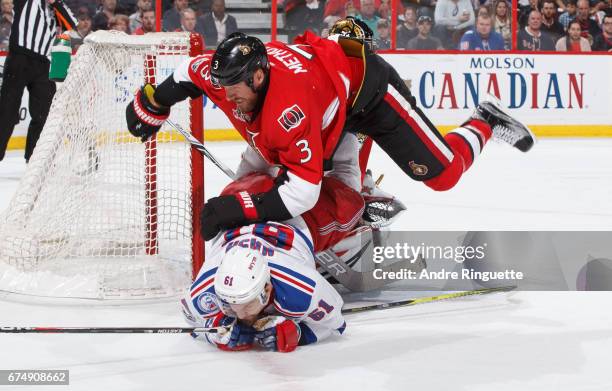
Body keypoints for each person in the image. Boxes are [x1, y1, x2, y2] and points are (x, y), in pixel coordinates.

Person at [126, 26, 535, 241]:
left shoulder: (290, 109)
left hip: (368, 94)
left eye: (236, 92)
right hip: (329, 101)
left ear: (258, 75)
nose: (230, 101)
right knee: (332, 186)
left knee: (442, 174)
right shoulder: (227, 75)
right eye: (223, 91)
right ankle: (361, 204)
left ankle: (484, 119)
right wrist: (152, 102)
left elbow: (300, 193)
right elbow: (185, 73)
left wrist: (238, 210)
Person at [181, 172, 363, 352]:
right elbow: (191, 316)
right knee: (258, 168)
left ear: (266, 290)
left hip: (300, 217)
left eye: (247, 305)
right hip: (239, 198)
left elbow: (335, 322)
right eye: (230, 305)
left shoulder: (302, 288)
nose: (241, 316)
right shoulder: (208, 288)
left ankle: (364, 197)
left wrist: (300, 334)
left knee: (351, 204)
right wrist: (213, 332)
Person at [0, 0, 77, 163]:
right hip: (19, 58)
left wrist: (55, 3)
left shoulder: (57, 7)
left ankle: (34, 160)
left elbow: (72, 25)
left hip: (43, 63)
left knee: (45, 113)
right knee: (7, 111)